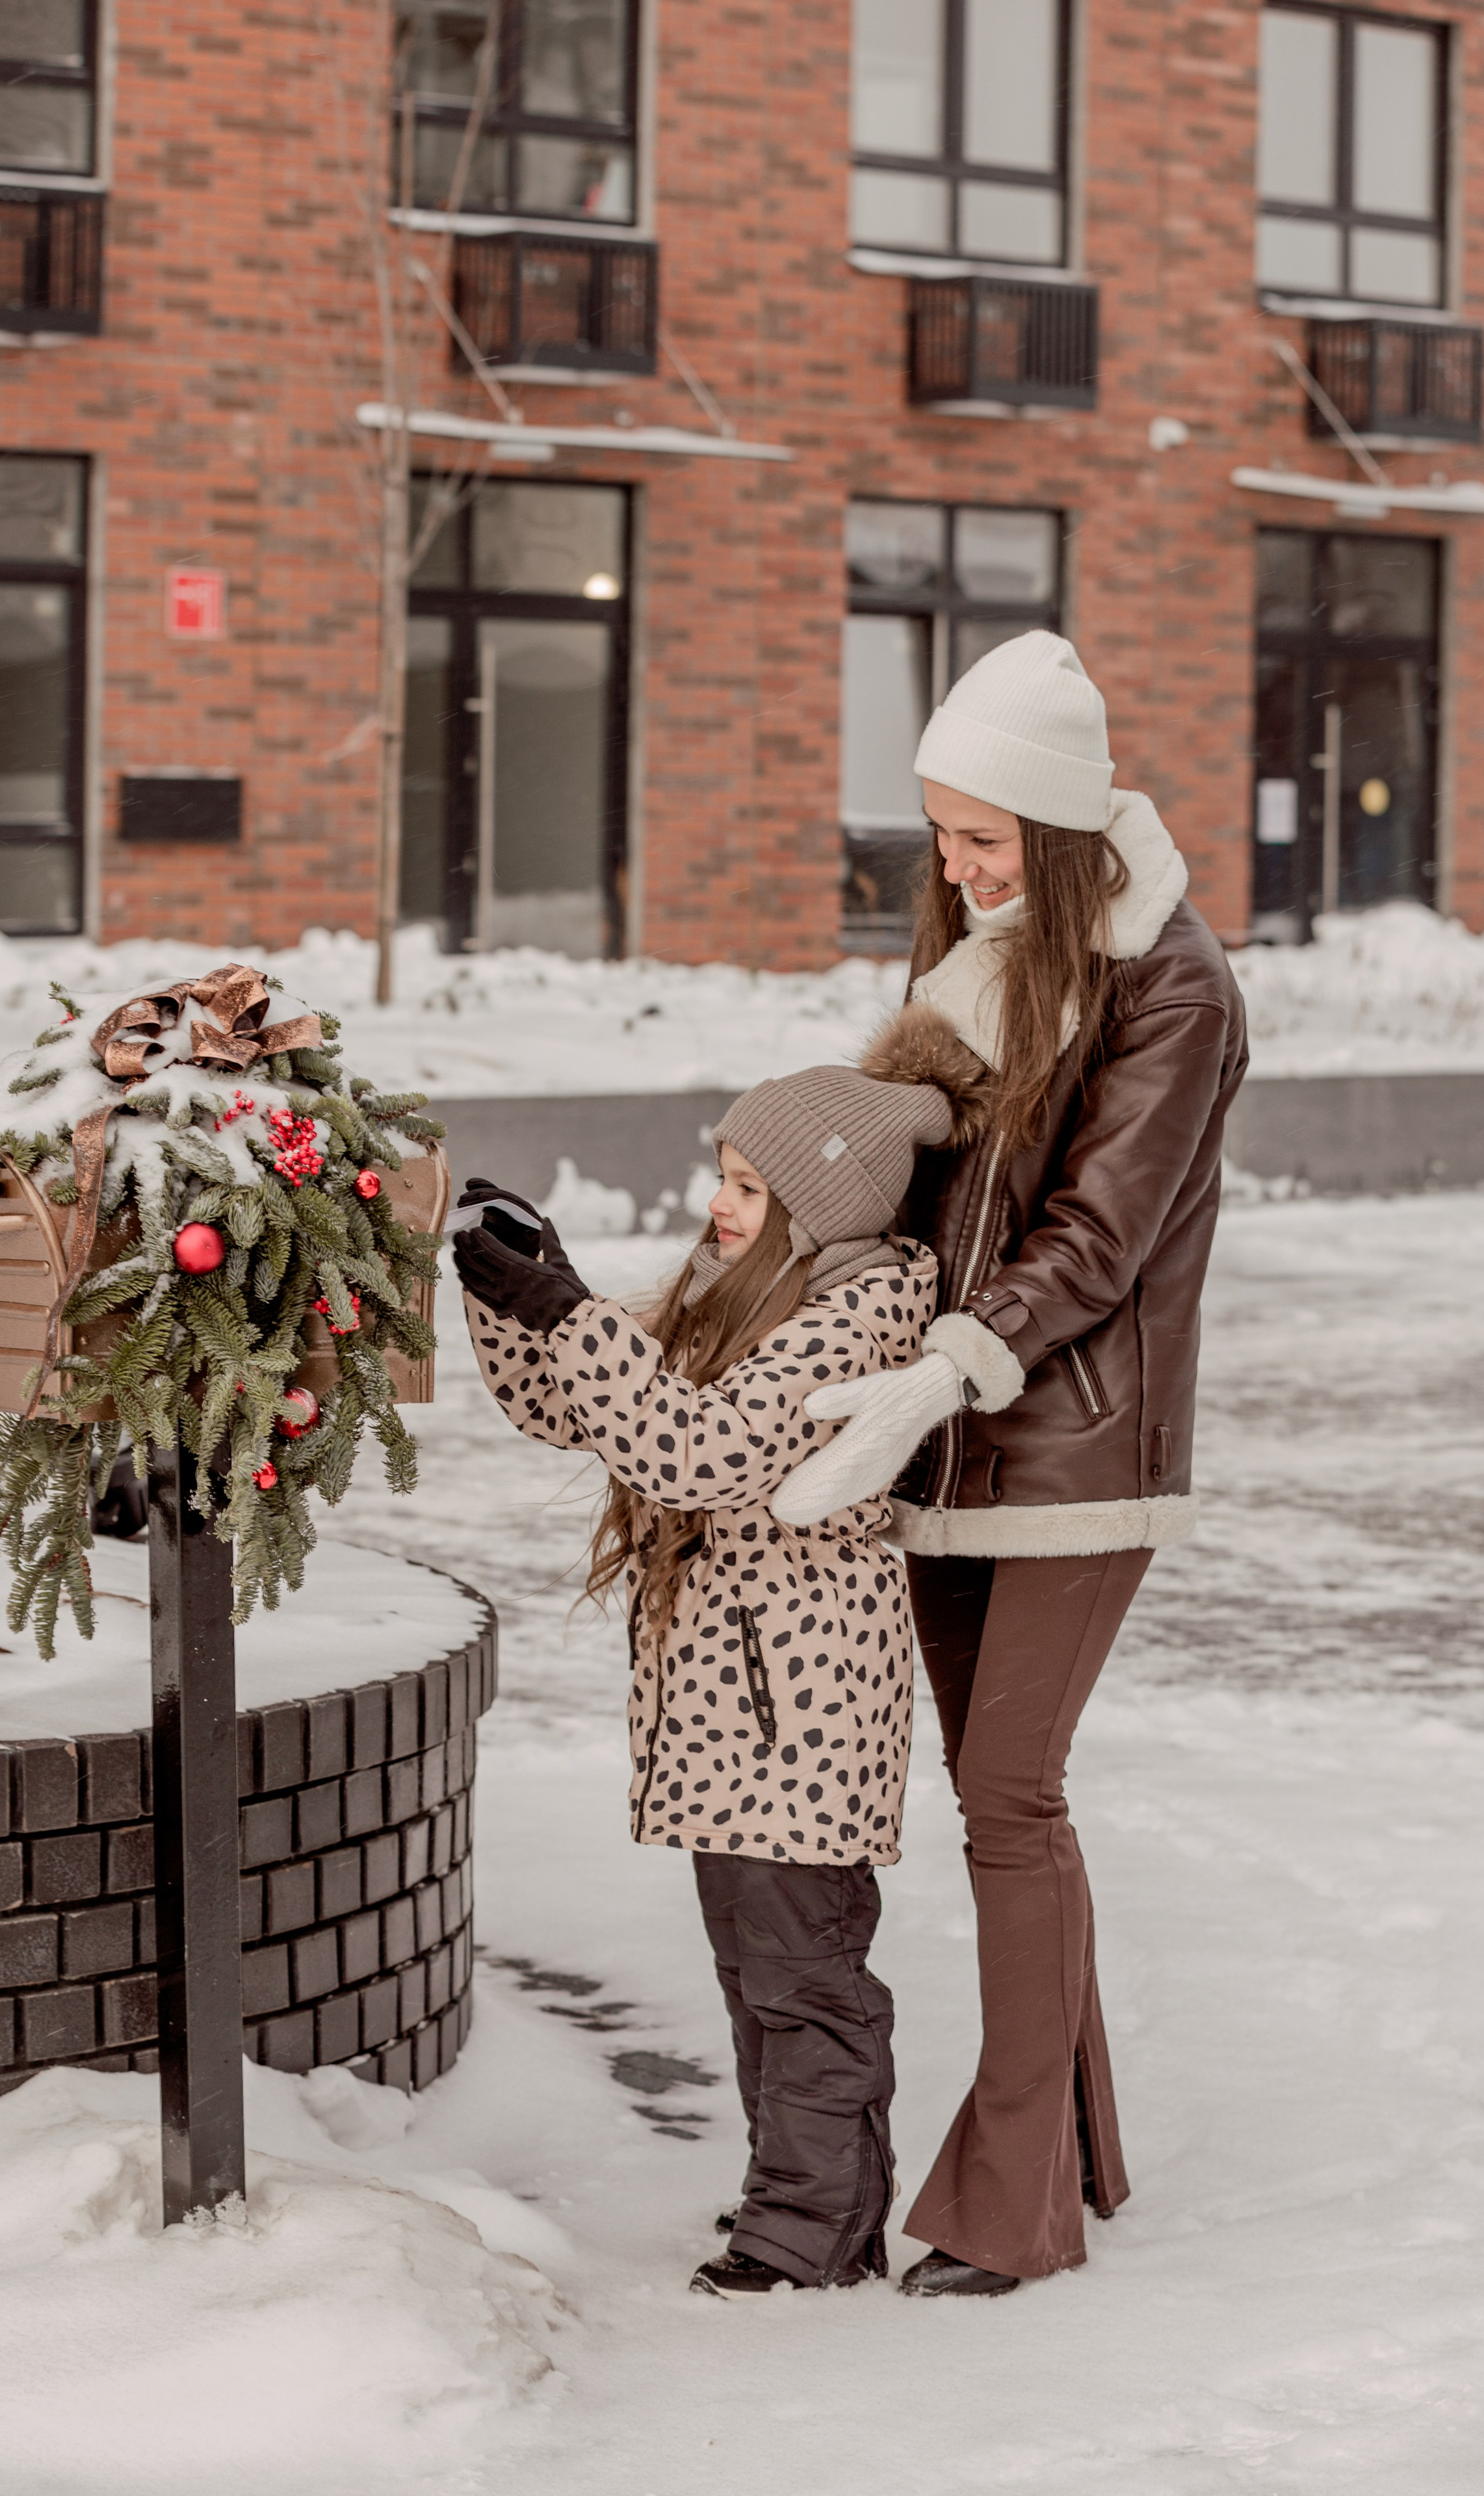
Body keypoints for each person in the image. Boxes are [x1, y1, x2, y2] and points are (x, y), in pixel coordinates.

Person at [774, 630, 1249, 2298]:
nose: (957, 870)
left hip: (1068, 1444)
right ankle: (1077, 2150)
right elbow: (917, 1187)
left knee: (1007, 1800)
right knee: (1004, 1810)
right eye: (942, 835)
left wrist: (948, 1369)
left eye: (986, 842)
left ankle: (1011, 2204)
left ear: (1058, 833)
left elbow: (1097, 1235)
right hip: (940, 1436)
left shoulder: (1168, 985)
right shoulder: (984, 963)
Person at [453, 1053, 976, 2298]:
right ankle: (807, 2211)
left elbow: (698, 1452)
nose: (721, 1204)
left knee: (804, 1980)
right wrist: (526, 1295)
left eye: (750, 1184)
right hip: (729, 1707)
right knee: (759, 1979)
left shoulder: (859, 1321)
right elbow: (582, 1408)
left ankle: (810, 2234)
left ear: (824, 1199)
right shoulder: (747, 1291)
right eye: (722, 1176)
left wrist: (570, 1316)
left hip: (801, 1706)